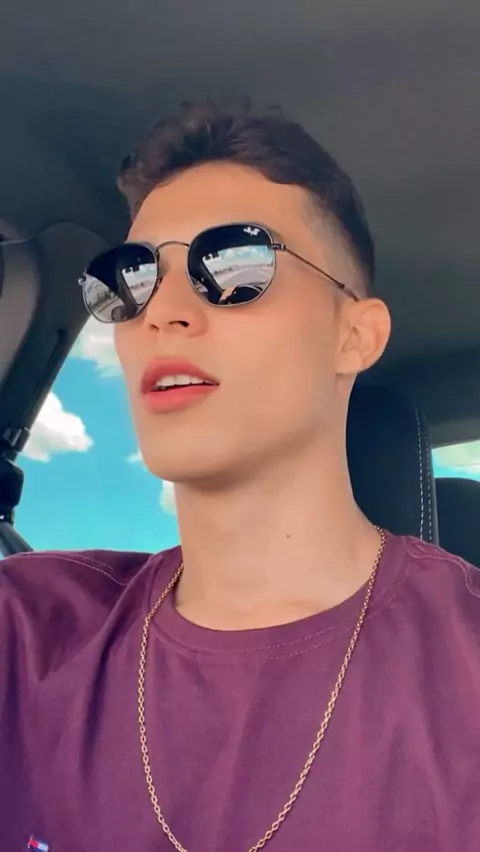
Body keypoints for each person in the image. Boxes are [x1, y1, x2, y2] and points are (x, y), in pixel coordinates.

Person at [1, 101, 479, 852]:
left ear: (355, 335)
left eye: (233, 264)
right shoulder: (28, 628)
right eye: (129, 279)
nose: (161, 311)